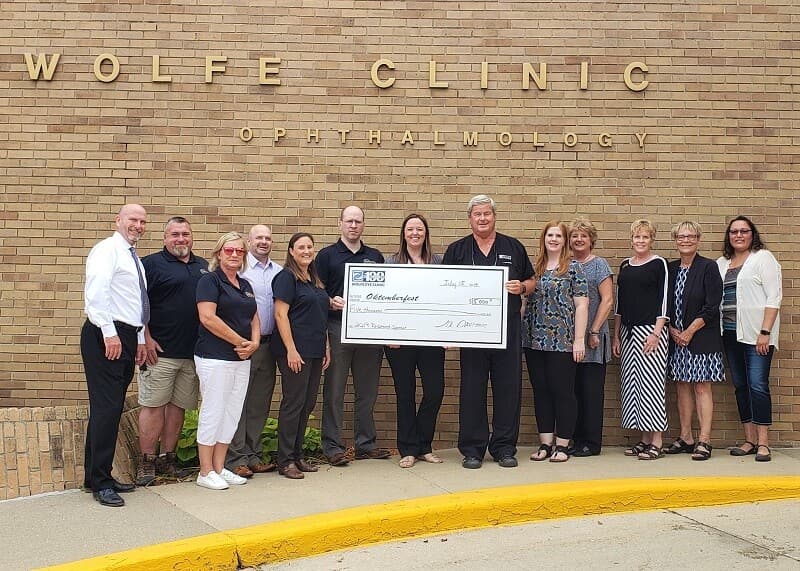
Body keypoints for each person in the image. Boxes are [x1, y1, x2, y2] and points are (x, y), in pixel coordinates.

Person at [442, 195, 536, 469]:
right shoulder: (457, 250)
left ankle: (504, 447)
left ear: (494, 216)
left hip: (507, 330)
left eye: (487, 214)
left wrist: (522, 288)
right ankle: (472, 449)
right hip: (471, 333)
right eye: (477, 214)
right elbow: (443, 291)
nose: (482, 218)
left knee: (508, 390)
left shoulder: (513, 247)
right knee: (472, 391)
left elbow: (532, 280)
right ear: (469, 218)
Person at [81, 204, 148, 507]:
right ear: (118, 221)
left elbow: (134, 303)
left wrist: (141, 339)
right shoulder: (107, 249)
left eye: (142, 221)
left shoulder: (133, 258)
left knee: (108, 408)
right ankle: (101, 482)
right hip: (106, 334)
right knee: (107, 408)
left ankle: (94, 475)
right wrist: (109, 333)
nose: (138, 225)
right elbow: (96, 293)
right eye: (133, 219)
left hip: (126, 334)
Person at [136, 216, 208, 486]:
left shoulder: (203, 267)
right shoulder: (150, 265)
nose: (181, 239)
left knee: (179, 409)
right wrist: (144, 337)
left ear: (192, 237)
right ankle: (147, 461)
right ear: (165, 238)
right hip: (159, 353)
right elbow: (138, 303)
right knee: (153, 407)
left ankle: (169, 458)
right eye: (175, 234)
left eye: (185, 234)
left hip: (191, 354)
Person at [316, 206, 389, 466]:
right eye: (349, 221)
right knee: (334, 390)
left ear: (363, 225)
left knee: (367, 391)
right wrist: (329, 302)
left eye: (358, 221)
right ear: (340, 224)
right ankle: (333, 446)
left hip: (369, 331)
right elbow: (314, 293)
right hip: (338, 329)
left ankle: (365, 444)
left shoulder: (375, 256)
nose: (353, 226)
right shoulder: (326, 256)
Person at [194, 232, 260, 490]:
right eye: (229, 250)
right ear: (219, 253)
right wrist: (240, 342)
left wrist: (253, 343)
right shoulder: (209, 281)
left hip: (241, 359)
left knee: (231, 414)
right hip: (214, 358)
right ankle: (205, 471)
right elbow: (207, 318)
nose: (234, 255)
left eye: (239, 251)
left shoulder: (245, 285)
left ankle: (220, 467)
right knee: (213, 412)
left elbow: (254, 317)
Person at [717, 216, 782, 463]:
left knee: (757, 385)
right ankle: (749, 440)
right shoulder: (722, 263)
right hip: (731, 334)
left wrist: (765, 332)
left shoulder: (763, 258)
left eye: (744, 231)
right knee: (741, 386)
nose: (739, 235)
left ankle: (764, 443)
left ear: (752, 234)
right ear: (729, 236)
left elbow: (773, 297)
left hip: (757, 336)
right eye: (734, 231)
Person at [523, 221, 588, 463]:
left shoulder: (573, 268)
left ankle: (562, 444)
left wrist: (579, 339)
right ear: (544, 238)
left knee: (563, 392)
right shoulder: (535, 267)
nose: (553, 239)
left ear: (565, 240)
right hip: (533, 340)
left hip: (562, 340)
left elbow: (582, 304)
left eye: (558, 236)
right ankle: (545, 443)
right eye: (550, 235)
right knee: (541, 392)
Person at [384, 214, 446, 468]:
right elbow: (384, 301)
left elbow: (448, 299)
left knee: (434, 391)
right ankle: (408, 449)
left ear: (425, 233)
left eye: (419, 229)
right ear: (404, 233)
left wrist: (449, 334)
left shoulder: (439, 262)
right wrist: (388, 335)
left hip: (431, 339)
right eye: (410, 229)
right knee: (405, 394)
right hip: (400, 341)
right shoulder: (391, 262)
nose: (415, 233)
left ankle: (424, 445)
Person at [224, 225, 282, 479]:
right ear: (249, 241)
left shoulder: (280, 272)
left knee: (259, 403)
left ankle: (253, 455)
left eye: (268, 238)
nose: (264, 242)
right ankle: (235, 458)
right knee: (238, 402)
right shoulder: (239, 269)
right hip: (243, 346)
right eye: (259, 237)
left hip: (269, 346)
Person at [272, 233, 331, 479]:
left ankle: (297, 456)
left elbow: (320, 314)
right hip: (295, 352)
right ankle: (285, 461)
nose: (306, 251)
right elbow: (280, 315)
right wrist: (291, 350)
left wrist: (326, 345)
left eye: (310, 247)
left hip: (315, 350)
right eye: (301, 247)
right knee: (293, 404)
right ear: (291, 251)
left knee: (306, 405)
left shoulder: (314, 279)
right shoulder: (286, 277)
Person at [665, 221, 724, 461]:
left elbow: (712, 306)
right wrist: (671, 329)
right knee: (681, 386)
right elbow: (663, 303)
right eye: (681, 236)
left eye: (691, 236)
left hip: (702, 338)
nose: (686, 240)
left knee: (701, 386)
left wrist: (689, 331)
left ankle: (705, 440)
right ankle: (686, 436)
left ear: (698, 239)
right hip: (676, 338)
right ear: (675, 240)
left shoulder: (708, 267)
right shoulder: (670, 268)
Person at [612, 219, 669, 460]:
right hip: (627, 331)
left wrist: (657, 332)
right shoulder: (625, 265)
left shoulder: (659, 264)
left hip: (651, 331)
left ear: (651, 240)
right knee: (634, 386)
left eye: (645, 237)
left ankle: (657, 441)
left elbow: (664, 300)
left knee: (651, 386)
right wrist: (616, 334)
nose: (640, 241)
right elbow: (619, 304)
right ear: (631, 239)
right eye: (637, 237)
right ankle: (644, 440)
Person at [568, 218, 614, 457]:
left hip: (593, 340)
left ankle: (591, 442)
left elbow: (607, 300)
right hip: (569, 341)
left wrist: (594, 330)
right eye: (574, 235)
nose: (578, 239)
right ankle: (574, 439)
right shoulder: (565, 264)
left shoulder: (599, 265)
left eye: (583, 236)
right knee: (572, 392)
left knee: (590, 391)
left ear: (591, 240)